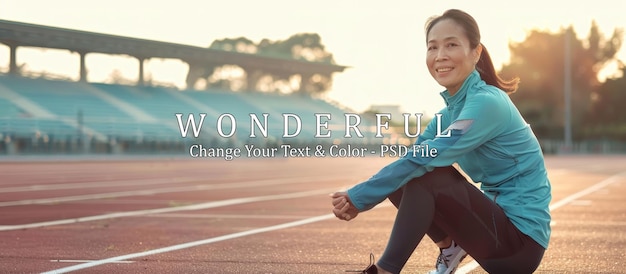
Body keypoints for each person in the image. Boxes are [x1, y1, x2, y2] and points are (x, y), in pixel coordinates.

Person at [331, 9, 551, 274]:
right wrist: (362, 195)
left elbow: (423, 160)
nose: (440, 55)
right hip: (491, 231)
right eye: (432, 47)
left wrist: (359, 197)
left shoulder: (487, 103)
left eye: (451, 45)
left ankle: (385, 270)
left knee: (425, 172)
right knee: (401, 174)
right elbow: (410, 159)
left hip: (519, 246)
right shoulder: (447, 116)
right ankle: (450, 247)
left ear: (476, 52)